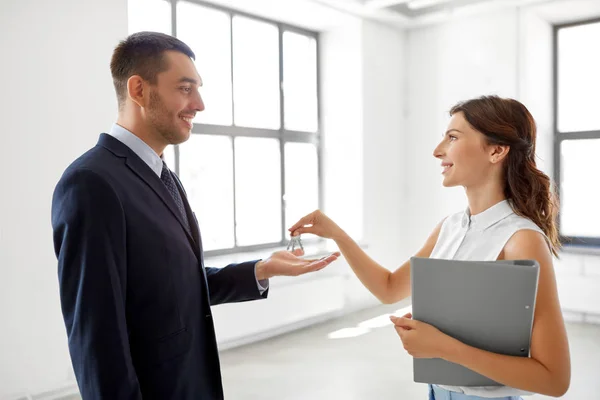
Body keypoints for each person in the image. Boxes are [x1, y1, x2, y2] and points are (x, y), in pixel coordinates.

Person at [51, 31, 340, 400]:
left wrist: (262, 269)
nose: (199, 104)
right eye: (185, 89)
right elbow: (96, 334)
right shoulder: (91, 183)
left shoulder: (162, 175)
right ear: (139, 90)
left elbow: (175, 285)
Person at [289, 95, 571, 399]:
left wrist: (442, 347)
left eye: (452, 137)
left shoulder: (522, 239)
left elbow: (554, 379)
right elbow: (389, 288)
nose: (438, 151)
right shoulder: (449, 227)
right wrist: (336, 233)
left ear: (496, 150)